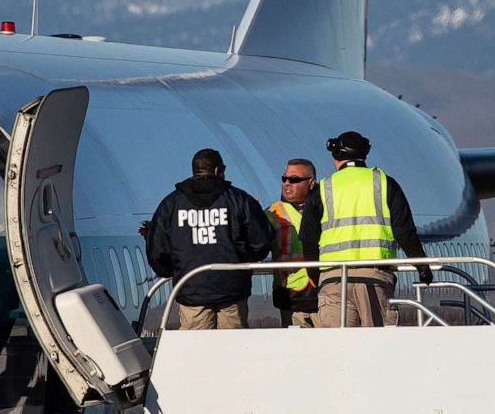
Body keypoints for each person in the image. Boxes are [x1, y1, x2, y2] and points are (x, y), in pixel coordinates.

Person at [299, 131, 432, 327]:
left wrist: (315, 275)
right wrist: (422, 266)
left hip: (333, 279)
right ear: (365, 154)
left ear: (336, 156)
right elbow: (405, 232)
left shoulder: (323, 189)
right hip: (374, 277)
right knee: (376, 346)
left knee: (337, 347)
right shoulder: (385, 183)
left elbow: (309, 239)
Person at [146, 148, 273, 330]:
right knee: (233, 349)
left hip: (191, 292)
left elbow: (157, 250)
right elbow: (261, 241)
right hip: (232, 291)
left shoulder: (171, 204)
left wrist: (173, 271)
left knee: (196, 351)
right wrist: (242, 259)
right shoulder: (239, 200)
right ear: (217, 171)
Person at [265, 158, 319, 328]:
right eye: (284, 178)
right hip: (291, 295)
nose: (287, 184)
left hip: (325, 290)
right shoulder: (272, 212)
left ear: (311, 182)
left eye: (294, 179)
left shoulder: (326, 208)